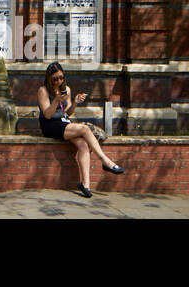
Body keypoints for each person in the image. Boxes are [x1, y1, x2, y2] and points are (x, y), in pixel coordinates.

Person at [38, 61, 124, 197]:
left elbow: (68, 113)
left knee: (83, 145)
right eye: (55, 79)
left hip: (64, 122)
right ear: (49, 78)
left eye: (61, 77)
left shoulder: (67, 89)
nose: (58, 81)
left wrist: (76, 103)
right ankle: (105, 160)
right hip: (50, 125)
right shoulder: (43, 90)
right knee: (84, 129)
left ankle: (86, 184)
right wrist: (56, 100)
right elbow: (48, 114)